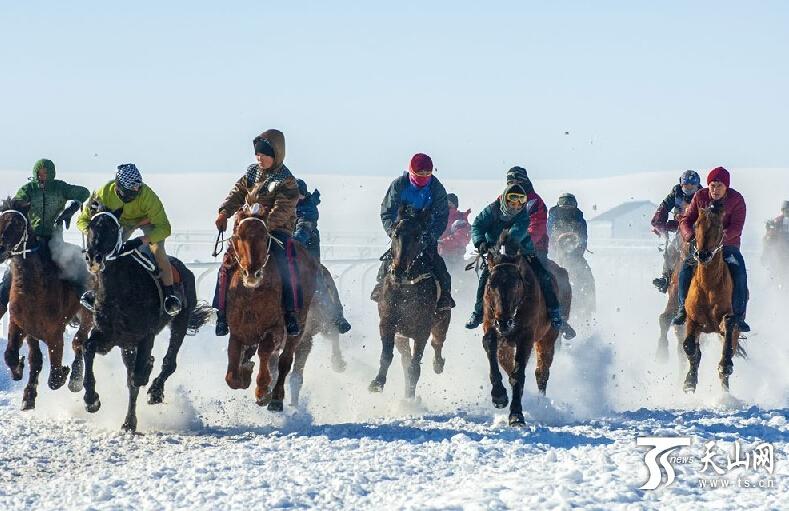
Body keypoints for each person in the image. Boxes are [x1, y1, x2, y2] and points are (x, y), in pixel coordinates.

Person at [213, 129, 302, 337]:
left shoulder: (287, 181)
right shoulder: (252, 173)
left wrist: (262, 224)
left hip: (275, 231)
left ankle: (290, 313)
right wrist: (224, 212)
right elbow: (237, 194)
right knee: (226, 264)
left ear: (276, 155)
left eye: (264, 154)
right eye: (257, 154)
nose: (259, 158)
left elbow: (283, 209)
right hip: (247, 228)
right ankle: (221, 313)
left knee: (286, 264)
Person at [465, 181, 576, 339]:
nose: (516, 205)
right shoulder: (492, 209)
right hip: (495, 253)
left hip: (522, 252)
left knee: (543, 276)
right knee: (485, 279)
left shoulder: (524, 214)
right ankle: (478, 313)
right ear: (505, 198)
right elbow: (477, 225)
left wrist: (508, 243)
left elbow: (518, 232)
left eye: (520, 201)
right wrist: (481, 242)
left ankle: (555, 314)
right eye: (512, 199)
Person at [76, 163, 182, 316]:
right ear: (117, 186)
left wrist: (142, 240)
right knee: (104, 251)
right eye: (130, 192)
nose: (135, 194)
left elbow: (165, 227)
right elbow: (82, 220)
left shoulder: (148, 196)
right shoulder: (102, 193)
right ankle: (95, 292)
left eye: (138, 190)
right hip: (120, 223)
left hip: (147, 222)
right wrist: (94, 232)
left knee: (158, 250)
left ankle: (169, 296)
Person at [1, 158, 90, 320]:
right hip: (31, 240)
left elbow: (84, 192)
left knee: (74, 265)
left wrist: (74, 206)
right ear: (35, 174)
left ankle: (84, 302)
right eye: (39, 173)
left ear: (52, 174)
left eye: (46, 173)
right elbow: (16, 203)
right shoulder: (28, 189)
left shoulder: (60, 187)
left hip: (54, 239)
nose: (42, 176)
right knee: (12, 271)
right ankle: (1, 303)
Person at [370, 153, 455, 310]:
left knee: (437, 262)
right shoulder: (399, 185)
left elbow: (442, 216)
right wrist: (392, 231)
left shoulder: (436, 188)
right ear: (411, 172)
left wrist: (431, 235)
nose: (423, 177)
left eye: (427, 174)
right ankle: (380, 285)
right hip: (402, 231)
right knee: (392, 257)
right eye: (419, 174)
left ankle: (445, 294)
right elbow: (387, 212)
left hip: (425, 233)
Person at [673, 167, 750, 332]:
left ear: (726, 187)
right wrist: (690, 236)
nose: (715, 190)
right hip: (701, 246)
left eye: (719, 186)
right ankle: (682, 308)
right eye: (712, 185)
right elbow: (686, 220)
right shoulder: (700, 196)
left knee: (740, 272)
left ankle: (738, 315)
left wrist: (720, 239)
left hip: (728, 246)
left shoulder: (736, 200)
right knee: (685, 268)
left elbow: (737, 227)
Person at [293, 178, 352, 334]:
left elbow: (305, 226)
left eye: (297, 195)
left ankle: (336, 316)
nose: (294, 199)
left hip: (307, 254)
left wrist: (295, 241)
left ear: (303, 195)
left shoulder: (309, 208)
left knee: (318, 282)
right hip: (285, 252)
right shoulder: (283, 208)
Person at [650, 170, 701, 293]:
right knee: (671, 250)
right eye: (686, 185)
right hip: (680, 230)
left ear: (697, 185)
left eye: (691, 186)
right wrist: (659, 223)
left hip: (698, 230)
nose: (688, 189)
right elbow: (663, 208)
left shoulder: (702, 195)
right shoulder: (676, 192)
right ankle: (666, 277)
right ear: (681, 184)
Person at [505, 167, 549, 260]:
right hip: (505, 247)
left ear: (524, 181)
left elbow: (538, 225)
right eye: (511, 182)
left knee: (541, 272)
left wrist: (522, 242)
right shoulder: (503, 199)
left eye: (518, 181)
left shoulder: (534, 201)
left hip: (534, 248)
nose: (514, 185)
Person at [547, 192, 588, 258]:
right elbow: (548, 233)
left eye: (570, 203)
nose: (567, 206)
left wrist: (580, 249)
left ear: (575, 204)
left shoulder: (578, 217)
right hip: (555, 248)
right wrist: (551, 248)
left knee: (583, 266)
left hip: (574, 249)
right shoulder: (554, 215)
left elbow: (583, 236)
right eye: (563, 203)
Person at [437, 193, 471, 265]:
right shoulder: (437, 216)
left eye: (450, 203)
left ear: (455, 206)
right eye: (446, 203)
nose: (447, 205)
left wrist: (443, 242)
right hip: (435, 254)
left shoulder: (460, 219)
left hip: (452, 257)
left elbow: (461, 236)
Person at [294, 179, 321, 260]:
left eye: (298, 194)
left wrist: (297, 239)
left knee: (313, 267)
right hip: (291, 237)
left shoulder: (309, 205)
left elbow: (305, 223)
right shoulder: (288, 205)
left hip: (309, 240)